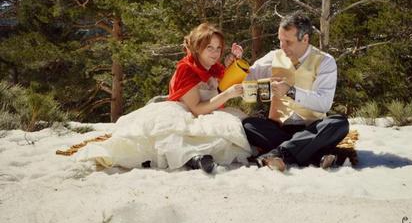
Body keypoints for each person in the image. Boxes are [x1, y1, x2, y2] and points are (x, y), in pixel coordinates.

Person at [75, 23, 252, 173]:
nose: (215, 53)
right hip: (187, 111)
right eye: (209, 48)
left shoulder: (212, 65)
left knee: (229, 130)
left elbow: (224, 79)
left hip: (208, 112)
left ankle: (197, 157)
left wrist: (233, 61)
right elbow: (196, 109)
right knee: (174, 134)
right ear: (198, 48)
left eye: (218, 48)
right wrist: (228, 94)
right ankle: (194, 158)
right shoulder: (187, 69)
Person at [239, 11, 349, 171]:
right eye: (280, 40)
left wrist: (291, 92)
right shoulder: (273, 57)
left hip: (312, 127)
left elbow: (324, 104)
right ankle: (315, 153)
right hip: (279, 128)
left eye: (288, 42)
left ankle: (279, 153)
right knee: (249, 125)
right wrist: (237, 62)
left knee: (339, 123)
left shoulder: (325, 61)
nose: (282, 47)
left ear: (305, 39)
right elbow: (246, 79)